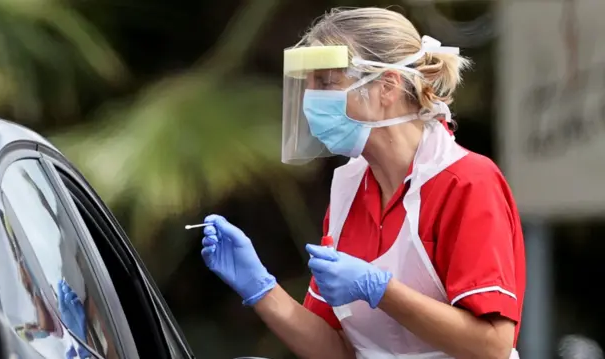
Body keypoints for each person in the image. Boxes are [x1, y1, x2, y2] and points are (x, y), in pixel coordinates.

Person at [200, 7, 525, 359]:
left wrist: (382, 291)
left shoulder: (466, 182)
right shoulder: (349, 187)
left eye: (325, 82)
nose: (311, 99)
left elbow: (492, 346)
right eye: (308, 84)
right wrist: (261, 288)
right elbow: (338, 351)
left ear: (387, 86)